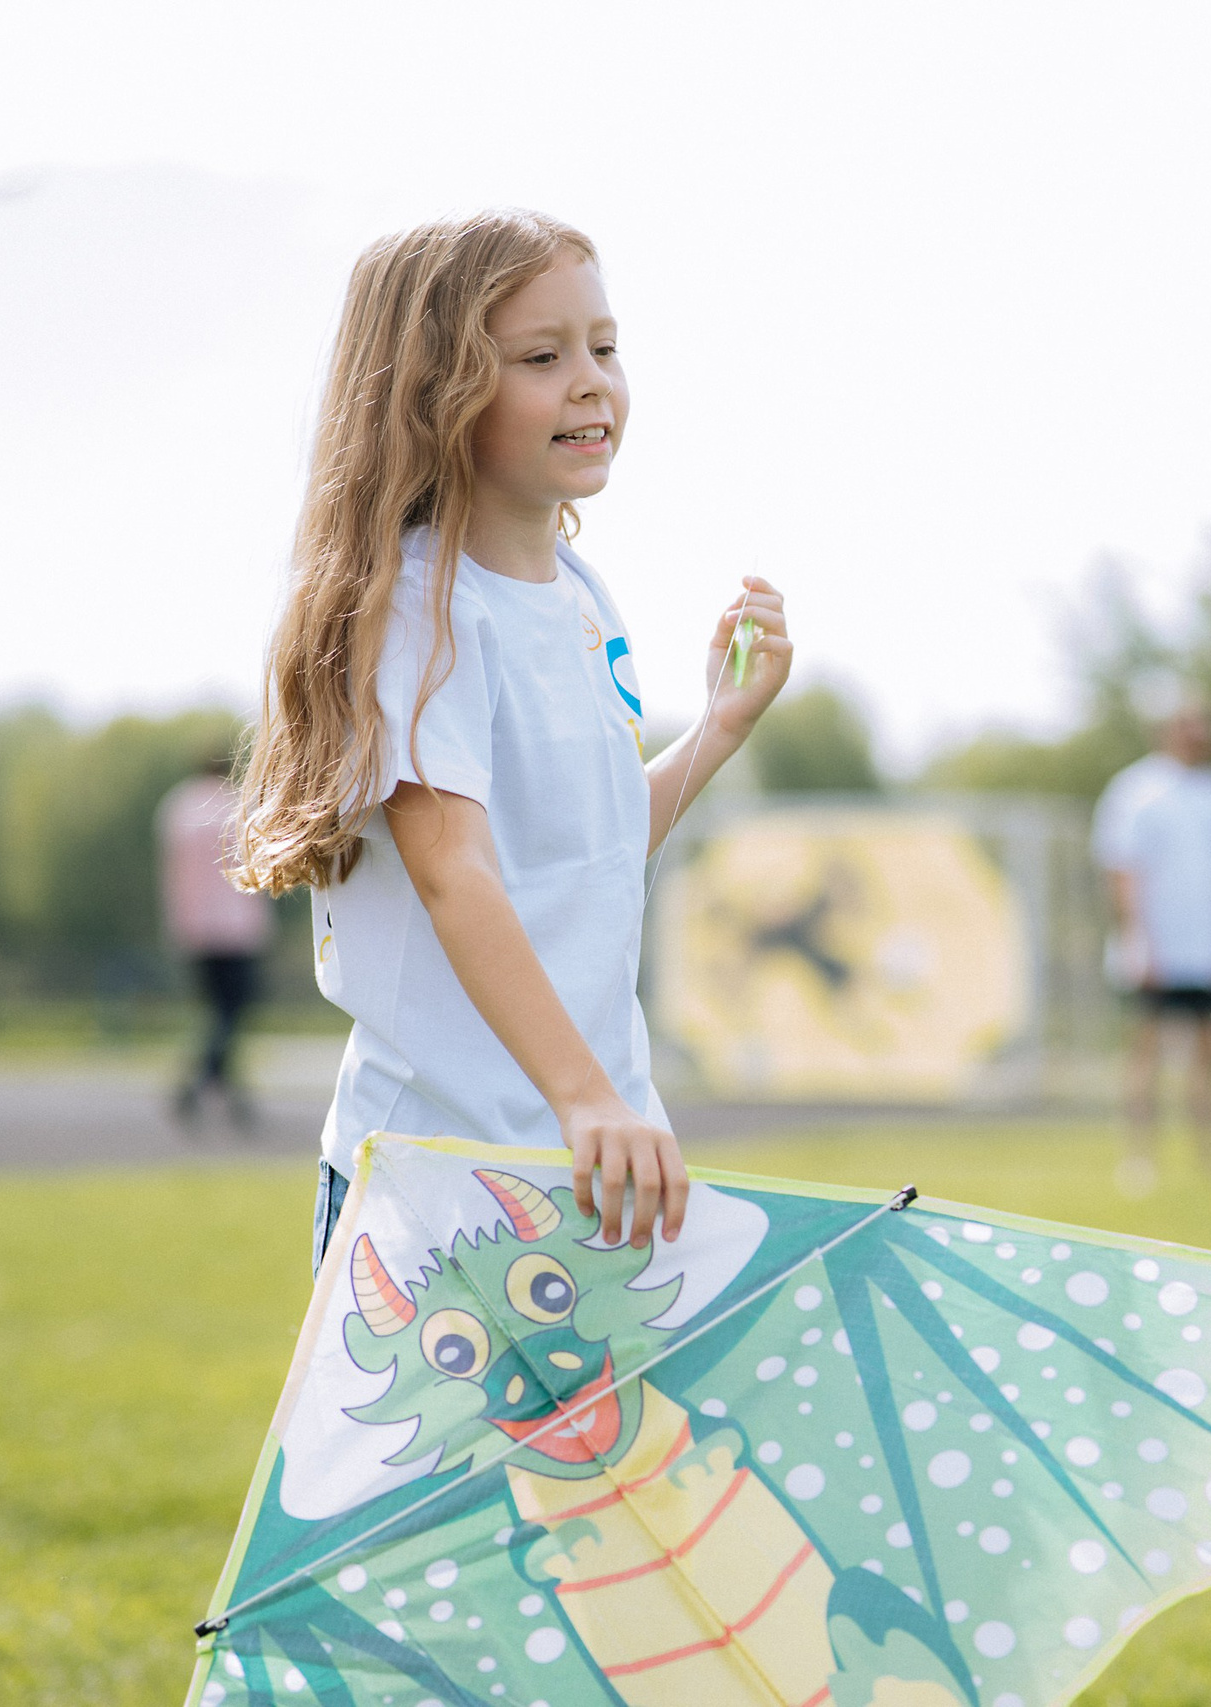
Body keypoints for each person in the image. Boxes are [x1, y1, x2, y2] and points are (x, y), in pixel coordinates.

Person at [233, 210, 791, 1271]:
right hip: (437, 1184)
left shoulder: (581, 594)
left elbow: (587, 851)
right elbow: (456, 873)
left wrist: (716, 732)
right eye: (542, 356)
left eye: (605, 347)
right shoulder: (415, 609)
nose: (591, 381)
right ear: (436, 392)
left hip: (587, 1168)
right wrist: (583, 1096)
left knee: (638, 1446)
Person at [1092, 700, 1211, 1189]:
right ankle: (1139, 1159)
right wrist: (1138, 941)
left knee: (1209, 1055)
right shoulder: (1137, 791)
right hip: (1157, 951)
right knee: (1145, 1052)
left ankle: (1210, 1160)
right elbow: (1123, 870)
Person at [158, 752, 274, 1128]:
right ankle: (198, 1084)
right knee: (231, 1012)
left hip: (195, 930)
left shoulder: (177, 808)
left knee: (217, 1013)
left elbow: (173, 873)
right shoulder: (237, 806)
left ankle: (228, 1091)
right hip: (236, 929)